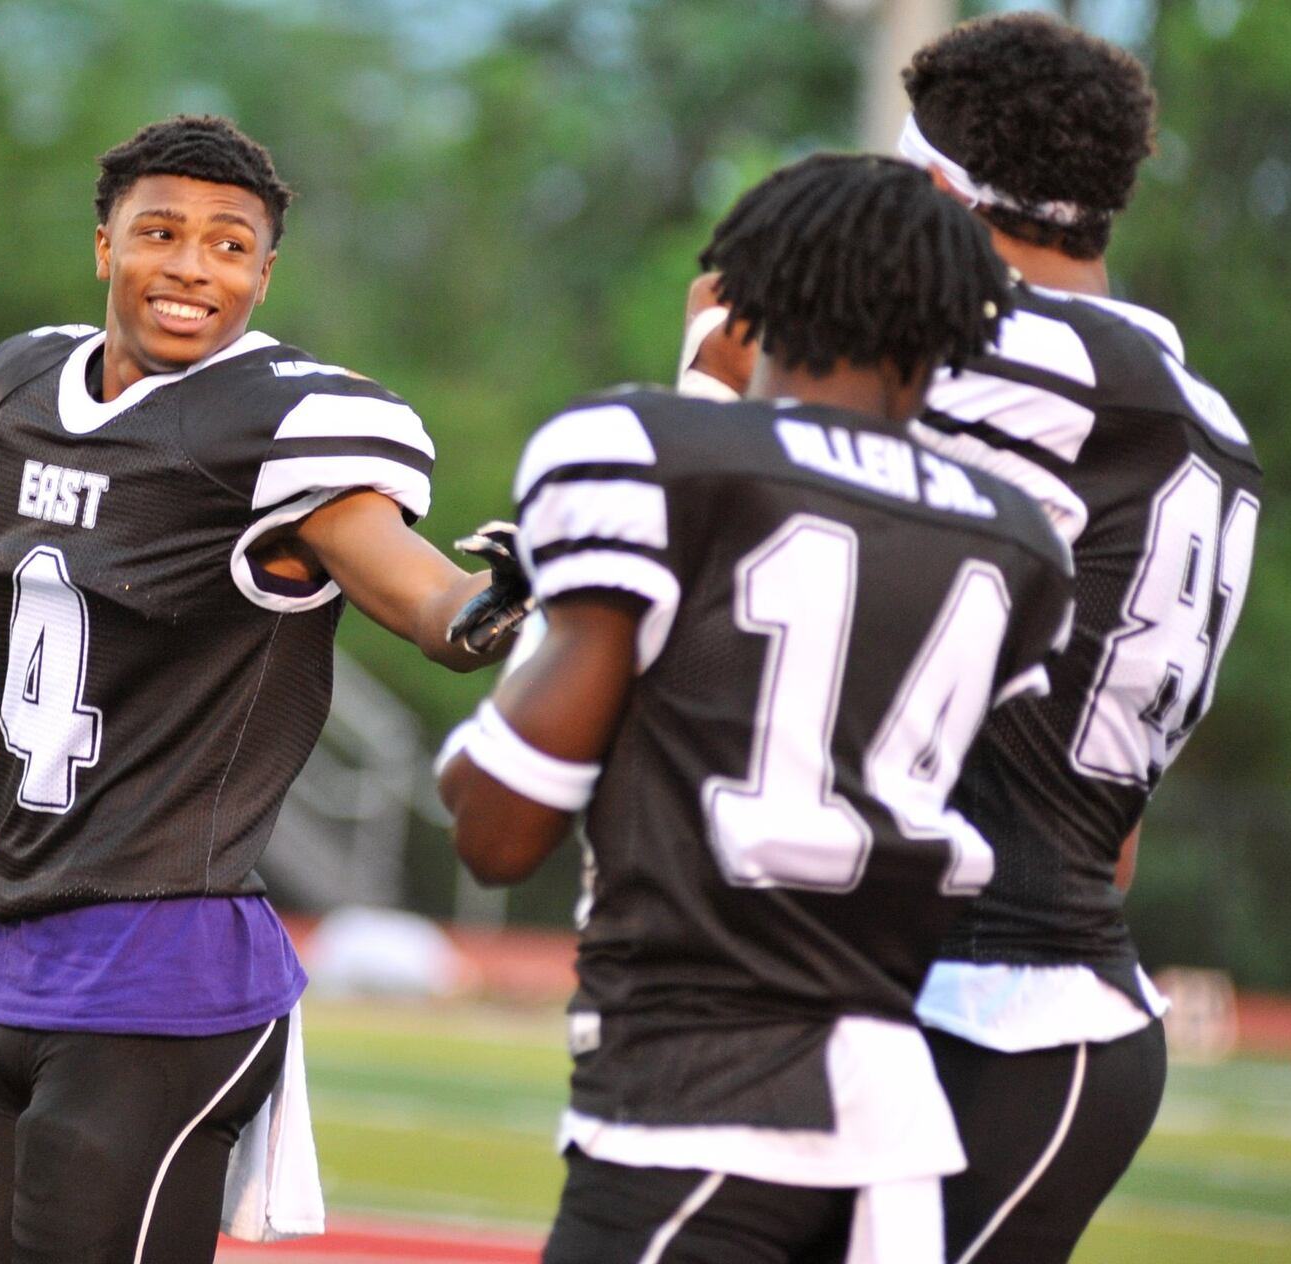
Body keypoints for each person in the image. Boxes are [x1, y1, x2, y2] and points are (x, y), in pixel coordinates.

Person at [0, 115, 523, 1264]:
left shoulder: (284, 428)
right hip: (13, 972)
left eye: (229, 245)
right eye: (160, 232)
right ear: (104, 246)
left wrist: (496, 601)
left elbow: (427, 603)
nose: (193, 268)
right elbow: (0, 727)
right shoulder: (17, 395)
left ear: (263, 272)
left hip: (165, 977)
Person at [676, 15, 1263, 1262]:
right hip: (1035, 976)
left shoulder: (992, 359)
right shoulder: (1192, 406)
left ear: (928, 185)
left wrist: (713, 370)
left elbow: (717, 552)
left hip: (993, 1004)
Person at [440, 154, 1075, 1264]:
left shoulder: (653, 453)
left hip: (694, 1094)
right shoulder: (1016, 532)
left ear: (744, 293)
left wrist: (567, 603)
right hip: (890, 1122)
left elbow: (498, 831)